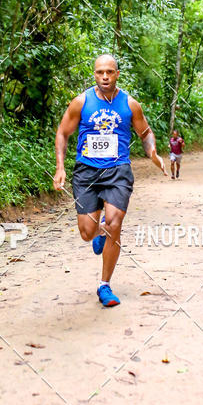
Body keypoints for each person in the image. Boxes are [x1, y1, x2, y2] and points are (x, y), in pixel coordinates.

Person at [53, 54, 167, 307]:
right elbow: (63, 132)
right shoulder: (81, 102)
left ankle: (104, 285)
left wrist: (153, 153)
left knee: (115, 224)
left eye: (109, 72)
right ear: (94, 74)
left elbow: (145, 132)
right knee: (86, 232)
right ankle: (98, 231)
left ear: (117, 74)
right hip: (86, 172)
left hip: (118, 171)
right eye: (99, 72)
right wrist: (60, 168)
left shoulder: (130, 104)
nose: (104, 76)